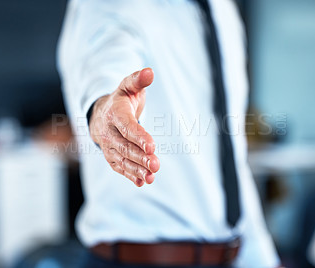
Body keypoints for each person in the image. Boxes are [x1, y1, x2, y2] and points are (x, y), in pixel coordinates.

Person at [57, 0, 280, 267]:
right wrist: (105, 110)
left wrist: (262, 258)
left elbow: (231, 158)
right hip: (135, 260)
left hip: (232, 255)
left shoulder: (222, 10)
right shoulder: (108, 5)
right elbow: (104, 62)